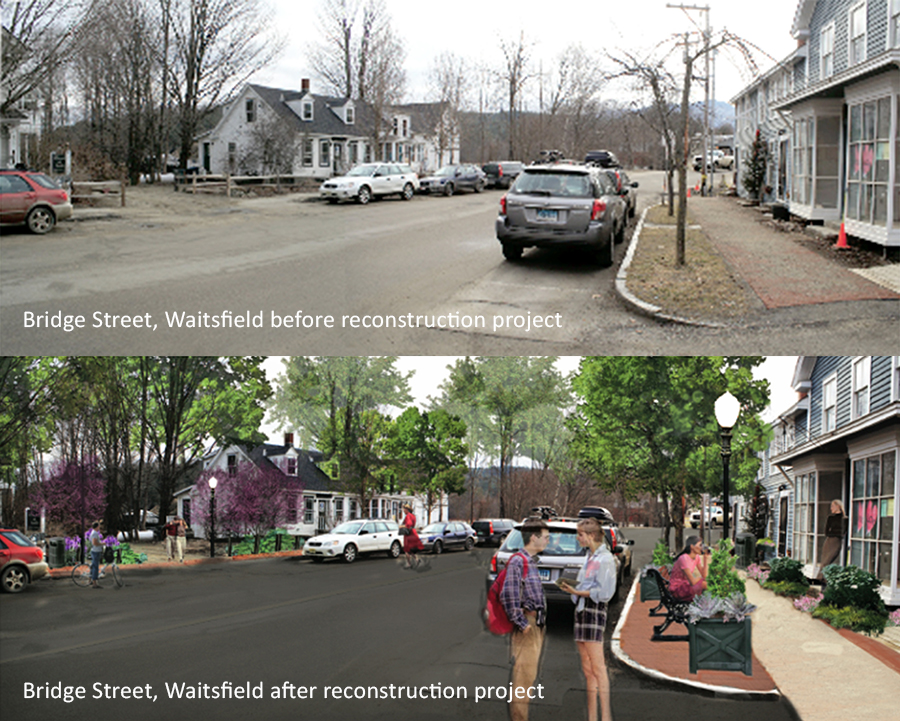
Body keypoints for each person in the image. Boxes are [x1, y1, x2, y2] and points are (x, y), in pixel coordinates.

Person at [559, 518, 617, 721]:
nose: (578, 538)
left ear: (591, 535)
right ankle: (592, 716)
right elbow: (586, 584)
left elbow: (605, 592)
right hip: (582, 610)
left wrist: (577, 591)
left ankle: (606, 716)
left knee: (598, 666)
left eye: (580, 534)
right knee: (587, 667)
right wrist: (573, 589)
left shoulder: (605, 559)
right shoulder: (590, 557)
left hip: (593, 610)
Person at [499, 520, 550, 721]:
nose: (548, 540)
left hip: (535, 624)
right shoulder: (518, 561)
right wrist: (522, 623)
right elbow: (508, 595)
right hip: (527, 624)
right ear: (533, 538)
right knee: (523, 678)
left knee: (528, 678)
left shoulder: (530, 560)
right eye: (545, 536)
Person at [668, 536, 710, 602]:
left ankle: (708, 606)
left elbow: (704, 576)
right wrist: (700, 578)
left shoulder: (696, 557)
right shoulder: (684, 559)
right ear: (692, 546)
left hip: (686, 586)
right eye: (700, 545)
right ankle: (707, 606)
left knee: (709, 583)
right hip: (678, 589)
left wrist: (705, 558)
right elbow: (692, 582)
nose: (702, 547)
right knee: (705, 584)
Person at [817, 500, 847, 580]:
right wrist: (836, 533)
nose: (831, 508)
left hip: (837, 542)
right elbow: (826, 532)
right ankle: (820, 579)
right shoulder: (830, 518)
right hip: (829, 542)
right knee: (824, 562)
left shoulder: (845, 519)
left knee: (828, 561)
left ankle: (820, 579)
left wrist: (836, 533)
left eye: (832, 506)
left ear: (838, 506)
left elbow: (844, 532)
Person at [401, 503, 423, 569]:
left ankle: (409, 563)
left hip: (408, 534)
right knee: (410, 549)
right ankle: (416, 560)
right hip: (413, 532)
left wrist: (402, 526)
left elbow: (408, 524)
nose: (403, 511)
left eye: (404, 510)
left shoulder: (408, 516)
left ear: (407, 510)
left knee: (406, 550)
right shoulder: (413, 516)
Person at [89, 521, 104, 589]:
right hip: (96, 551)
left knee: (93, 566)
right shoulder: (94, 533)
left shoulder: (94, 532)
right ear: (97, 526)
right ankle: (94, 582)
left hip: (95, 551)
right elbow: (95, 543)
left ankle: (90, 579)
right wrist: (102, 544)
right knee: (95, 567)